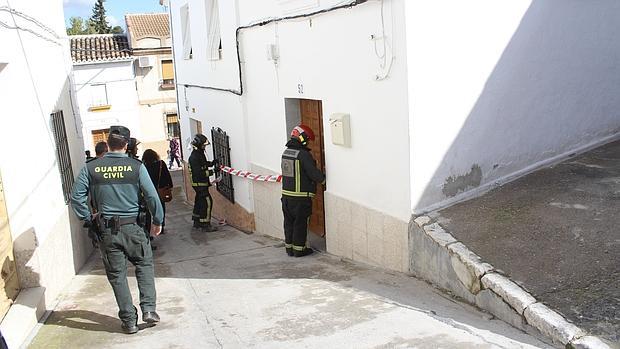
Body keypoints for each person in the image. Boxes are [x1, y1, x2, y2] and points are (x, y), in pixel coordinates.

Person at [70, 125, 164, 334]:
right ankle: (149, 309)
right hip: (132, 227)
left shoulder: (91, 167)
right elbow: (151, 196)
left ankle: (129, 321)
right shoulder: (136, 167)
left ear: (108, 142)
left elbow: (76, 197)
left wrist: (88, 219)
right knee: (144, 264)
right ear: (127, 144)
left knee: (117, 275)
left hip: (107, 232)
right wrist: (157, 221)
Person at [281, 124, 325, 257]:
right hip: (300, 198)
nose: (308, 142)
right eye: (307, 139)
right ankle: (299, 250)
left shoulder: (286, 152)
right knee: (300, 224)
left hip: (286, 197)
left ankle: (289, 249)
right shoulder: (303, 154)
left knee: (289, 223)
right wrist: (322, 180)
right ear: (302, 138)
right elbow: (312, 173)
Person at [188, 134, 218, 232]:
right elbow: (199, 173)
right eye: (203, 145)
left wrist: (211, 163)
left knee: (199, 201)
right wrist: (213, 171)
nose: (204, 147)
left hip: (200, 184)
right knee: (207, 202)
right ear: (199, 145)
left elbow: (203, 164)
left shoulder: (198, 154)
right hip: (199, 184)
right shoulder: (194, 156)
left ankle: (197, 221)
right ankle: (205, 224)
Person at [142, 149, 173, 239]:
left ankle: (150, 228)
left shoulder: (144, 166)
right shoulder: (160, 164)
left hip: (149, 191)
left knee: (149, 210)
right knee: (161, 207)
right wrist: (170, 186)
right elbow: (167, 175)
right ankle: (161, 226)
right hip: (161, 190)